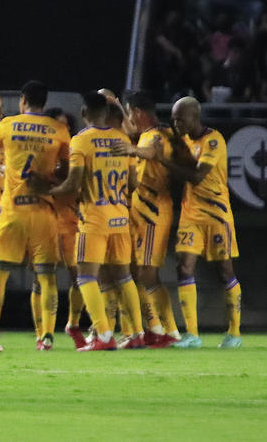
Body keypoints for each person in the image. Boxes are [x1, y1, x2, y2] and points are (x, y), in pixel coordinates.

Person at [35, 91, 143, 351]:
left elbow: (73, 184)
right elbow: (133, 183)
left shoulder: (81, 140)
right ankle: (137, 334)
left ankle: (103, 335)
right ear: (106, 113)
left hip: (94, 219)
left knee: (85, 276)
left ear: (83, 112)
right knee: (124, 276)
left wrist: (48, 191)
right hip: (120, 217)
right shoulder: (121, 138)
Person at [0, 80, 70, 350]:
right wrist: (49, 180)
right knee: (46, 277)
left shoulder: (7, 125)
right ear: (44, 102)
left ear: (23, 100)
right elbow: (68, 171)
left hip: (12, 212)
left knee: (0, 277)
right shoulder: (58, 129)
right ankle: (46, 336)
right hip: (43, 212)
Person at [162, 97, 243, 348]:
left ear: (194, 117)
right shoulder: (183, 140)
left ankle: (234, 332)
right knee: (184, 267)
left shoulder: (213, 140)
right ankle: (192, 334)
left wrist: (162, 160)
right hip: (191, 215)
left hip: (217, 215)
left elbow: (197, 176)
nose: (176, 124)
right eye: (173, 119)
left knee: (225, 271)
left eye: (180, 119)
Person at [110, 90, 184, 348]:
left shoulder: (159, 134)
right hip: (139, 211)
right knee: (134, 272)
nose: (128, 119)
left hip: (154, 211)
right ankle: (153, 329)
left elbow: (152, 152)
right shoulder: (143, 134)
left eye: (130, 113)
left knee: (148, 274)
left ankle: (170, 331)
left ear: (138, 112)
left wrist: (131, 149)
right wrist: (116, 104)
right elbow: (130, 130)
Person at [42, 108, 87, 349]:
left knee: (79, 276)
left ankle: (73, 324)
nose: (64, 130)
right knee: (42, 277)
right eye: (58, 125)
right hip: (46, 220)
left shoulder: (77, 152)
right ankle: (44, 333)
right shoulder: (41, 153)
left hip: (71, 221)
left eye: (66, 126)